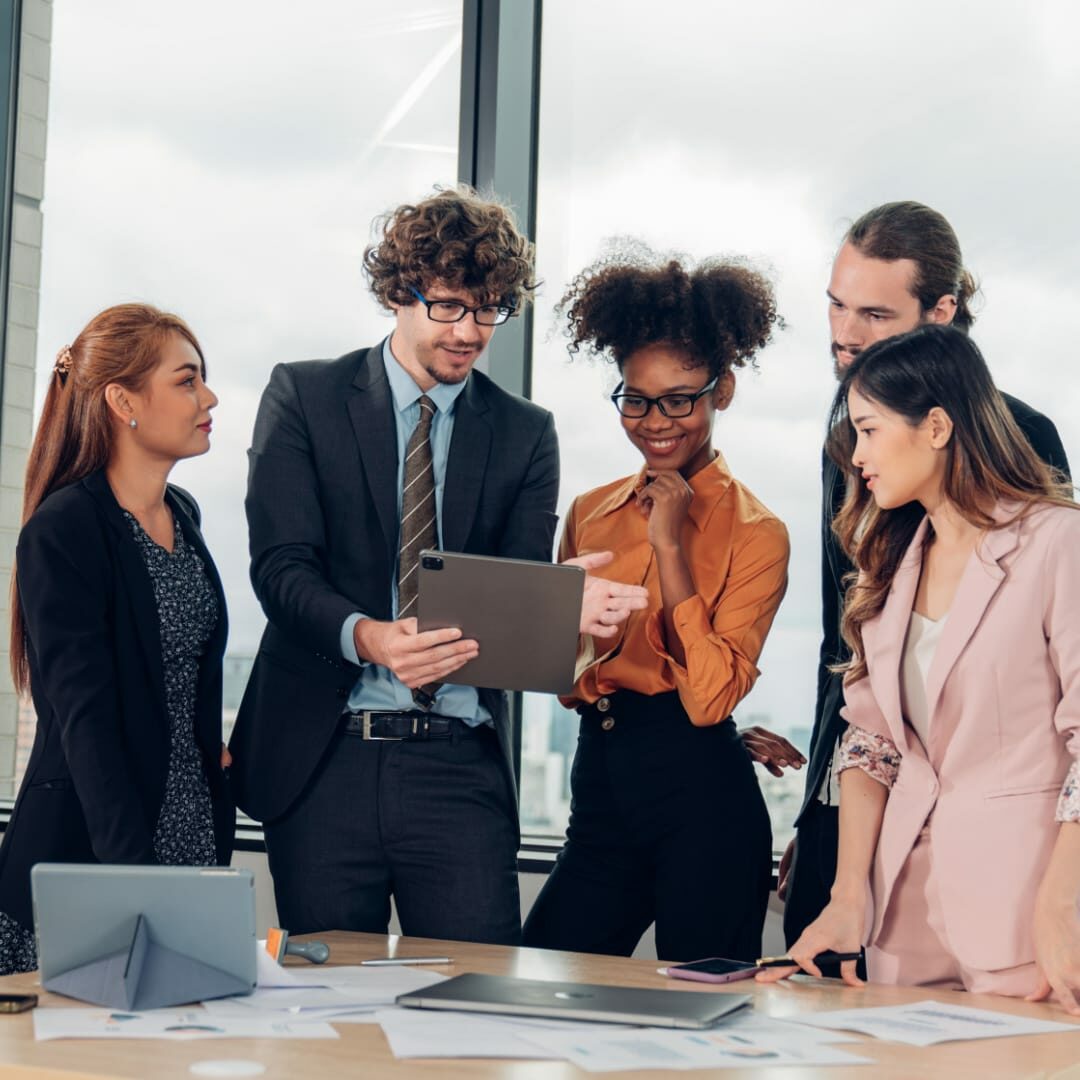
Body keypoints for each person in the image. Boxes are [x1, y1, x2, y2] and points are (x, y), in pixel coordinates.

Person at [228, 186, 646, 944]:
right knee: (330, 1031)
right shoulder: (304, 396)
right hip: (326, 761)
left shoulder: (525, 433)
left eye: (490, 310)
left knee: (476, 1022)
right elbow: (281, 570)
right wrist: (371, 637)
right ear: (398, 291)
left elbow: (509, 594)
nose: (472, 332)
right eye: (451, 306)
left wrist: (555, 605)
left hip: (458, 767)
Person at [760, 324, 1080, 1010]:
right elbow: (872, 743)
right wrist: (850, 897)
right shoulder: (887, 565)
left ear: (936, 426)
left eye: (870, 430)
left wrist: (1062, 908)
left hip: (1029, 913)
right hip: (903, 917)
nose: (857, 455)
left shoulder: (1058, 543)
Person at [521, 248, 801, 962]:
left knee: (702, 1035)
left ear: (722, 391)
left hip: (704, 810)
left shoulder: (759, 533)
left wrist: (671, 548)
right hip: (602, 794)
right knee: (543, 977)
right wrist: (566, 632)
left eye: (681, 399)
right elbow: (564, 684)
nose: (656, 421)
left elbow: (707, 705)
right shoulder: (589, 511)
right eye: (636, 399)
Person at [0, 303, 234, 975]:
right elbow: (86, 722)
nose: (208, 396)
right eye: (186, 381)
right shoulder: (65, 528)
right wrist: (133, 884)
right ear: (123, 400)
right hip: (96, 853)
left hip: (188, 838)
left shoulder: (182, 514)